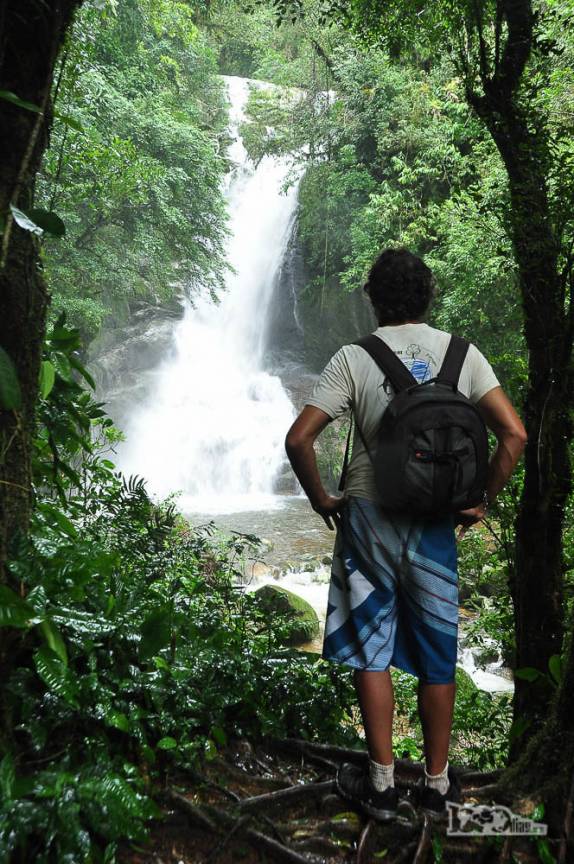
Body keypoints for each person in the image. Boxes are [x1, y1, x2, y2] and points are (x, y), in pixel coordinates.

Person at [284, 247, 527, 821]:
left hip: (369, 514)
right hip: (438, 522)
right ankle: (439, 787)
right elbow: (513, 434)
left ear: (373, 298)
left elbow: (299, 439)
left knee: (372, 649)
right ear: (428, 295)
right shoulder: (464, 357)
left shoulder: (354, 358)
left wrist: (322, 499)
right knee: (440, 652)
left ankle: (383, 784)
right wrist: (481, 501)